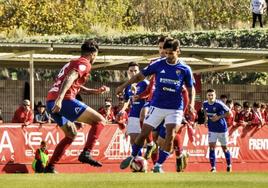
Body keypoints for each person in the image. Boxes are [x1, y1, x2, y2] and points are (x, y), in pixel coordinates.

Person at [116, 38, 195, 173]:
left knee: (170, 134)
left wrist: (191, 104)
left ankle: (158, 165)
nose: (168, 56)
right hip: (157, 105)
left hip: (175, 108)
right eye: (166, 52)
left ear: (178, 52)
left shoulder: (185, 69)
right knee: (145, 133)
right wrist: (123, 85)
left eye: (171, 53)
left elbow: (190, 88)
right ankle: (132, 156)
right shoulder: (158, 64)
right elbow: (139, 76)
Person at [45, 40, 110, 173]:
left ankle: (50, 167)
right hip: (64, 101)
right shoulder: (84, 63)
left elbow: (75, 84)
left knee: (71, 134)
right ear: (93, 53)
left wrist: (94, 91)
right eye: (96, 55)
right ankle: (86, 153)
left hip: (50, 102)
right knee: (100, 120)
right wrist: (60, 99)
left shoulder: (72, 62)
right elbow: (71, 77)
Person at [203, 89, 232, 172]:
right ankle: (213, 168)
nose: (210, 97)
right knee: (211, 148)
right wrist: (206, 119)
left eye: (212, 95)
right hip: (212, 129)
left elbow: (229, 113)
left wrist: (219, 117)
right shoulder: (205, 103)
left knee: (224, 148)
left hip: (222, 129)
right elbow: (205, 111)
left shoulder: (219, 103)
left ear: (215, 95)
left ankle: (229, 165)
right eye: (209, 95)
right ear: (206, 96)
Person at [121, 62, 149, 147]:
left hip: (145, 116)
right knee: (133, 140)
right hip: (133, 115)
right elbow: (126, 100)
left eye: (135, 71)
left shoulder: (145, 83)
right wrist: (122, 110)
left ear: (139, 71)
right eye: (131, 71)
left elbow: (152, 98)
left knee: (147, 143)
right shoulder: (127, 85)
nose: (133, 73)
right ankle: (136, 159)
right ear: (128, 72)